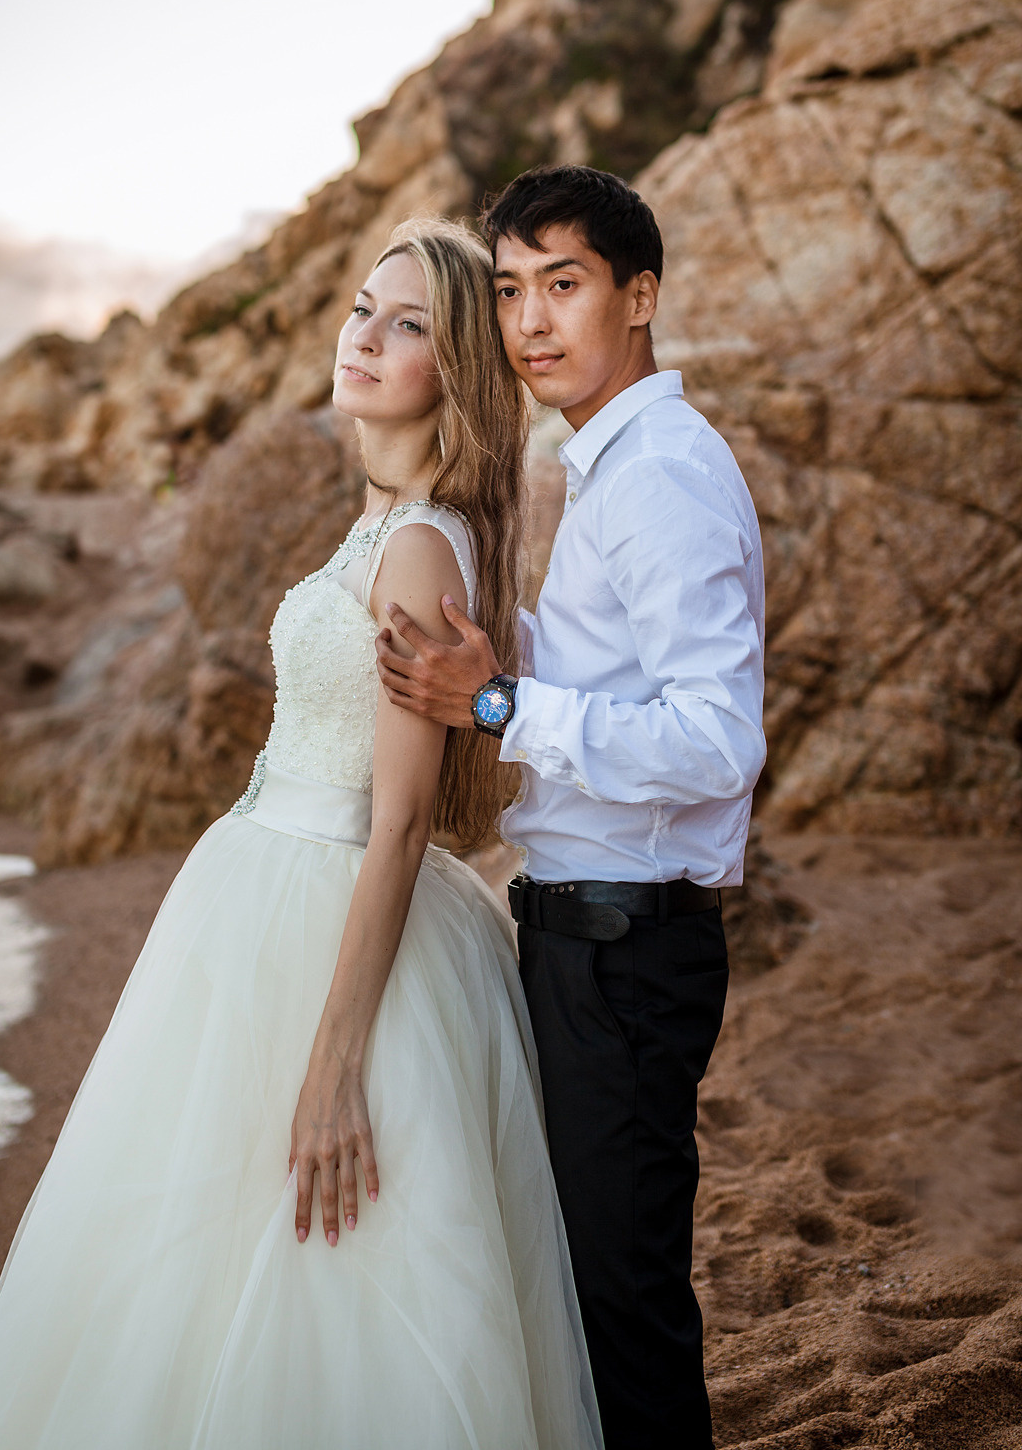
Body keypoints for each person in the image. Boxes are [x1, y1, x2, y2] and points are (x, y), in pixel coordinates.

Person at [0, 217, 603, 1450]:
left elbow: (402, 821)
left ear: (450, 374)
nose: (366, 336)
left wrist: (336, 1060)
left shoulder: (417, 547)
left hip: (328, 918)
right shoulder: (385, 523)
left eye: (408, 325)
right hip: (262, 899)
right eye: (362, 307)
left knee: (317, 1256)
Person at [375, 166, 766, 1450]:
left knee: (622, 1306)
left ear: (638, 294)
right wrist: (517, 654)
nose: (532, 322)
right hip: (592, 935)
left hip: (626, 942)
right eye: (509, 292)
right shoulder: (608, 462)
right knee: (598, 1291)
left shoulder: (658, 471)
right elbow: (624, 675)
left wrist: (496, 708)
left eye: (566, 284)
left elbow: (717, 739)